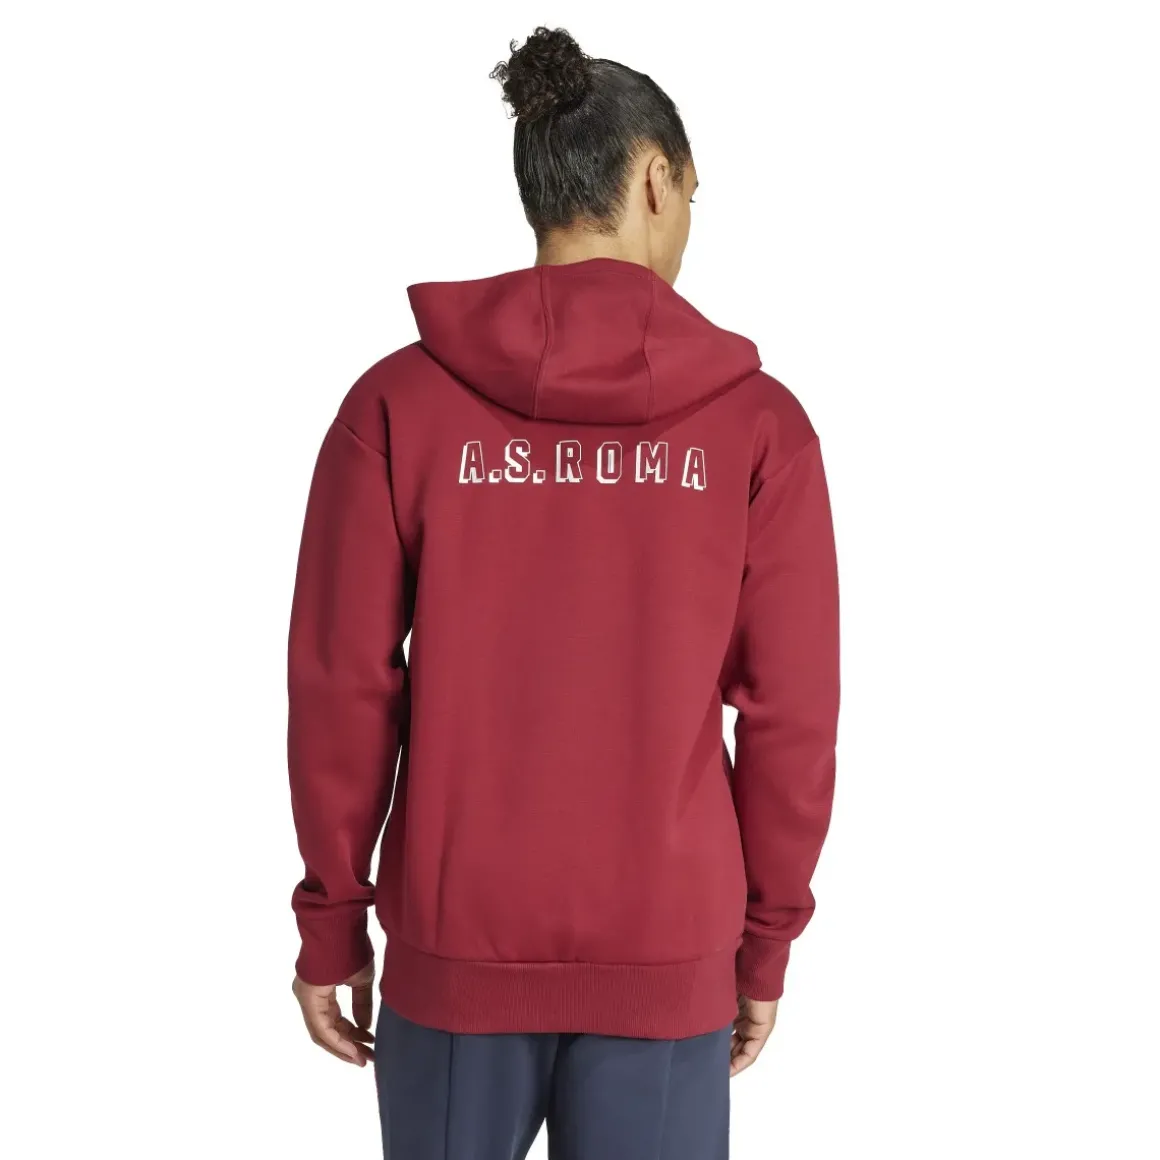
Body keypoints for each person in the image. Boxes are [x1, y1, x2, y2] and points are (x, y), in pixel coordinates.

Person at [287, 26, 840, 1160]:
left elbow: (341, 687)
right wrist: (765, 939)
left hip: (454, 942)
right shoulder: (759, 428)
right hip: (667, 944)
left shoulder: (395, 406)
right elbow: (792, 711)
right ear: (656, 181)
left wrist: (332, 919)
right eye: (692, 195)